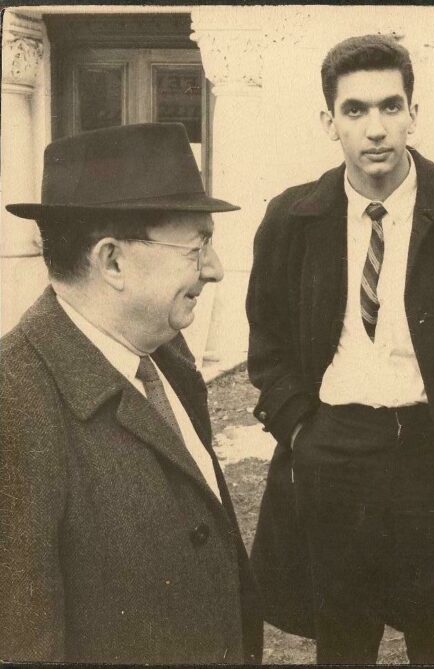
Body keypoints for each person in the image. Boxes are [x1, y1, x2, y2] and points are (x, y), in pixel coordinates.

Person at [246, 34, 434, 664]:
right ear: (329, 121)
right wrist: (301, 429)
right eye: (355, 111)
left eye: (391, 107)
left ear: (415, 112)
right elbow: (266, 339)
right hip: (334, 448)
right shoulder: (292, 216)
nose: (376, 128)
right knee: (344, 639)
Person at [0, 123, 262, 664]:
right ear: (112, 261)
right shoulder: (12, 403)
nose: (213, 270)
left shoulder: (167, 353)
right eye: (198, 247)